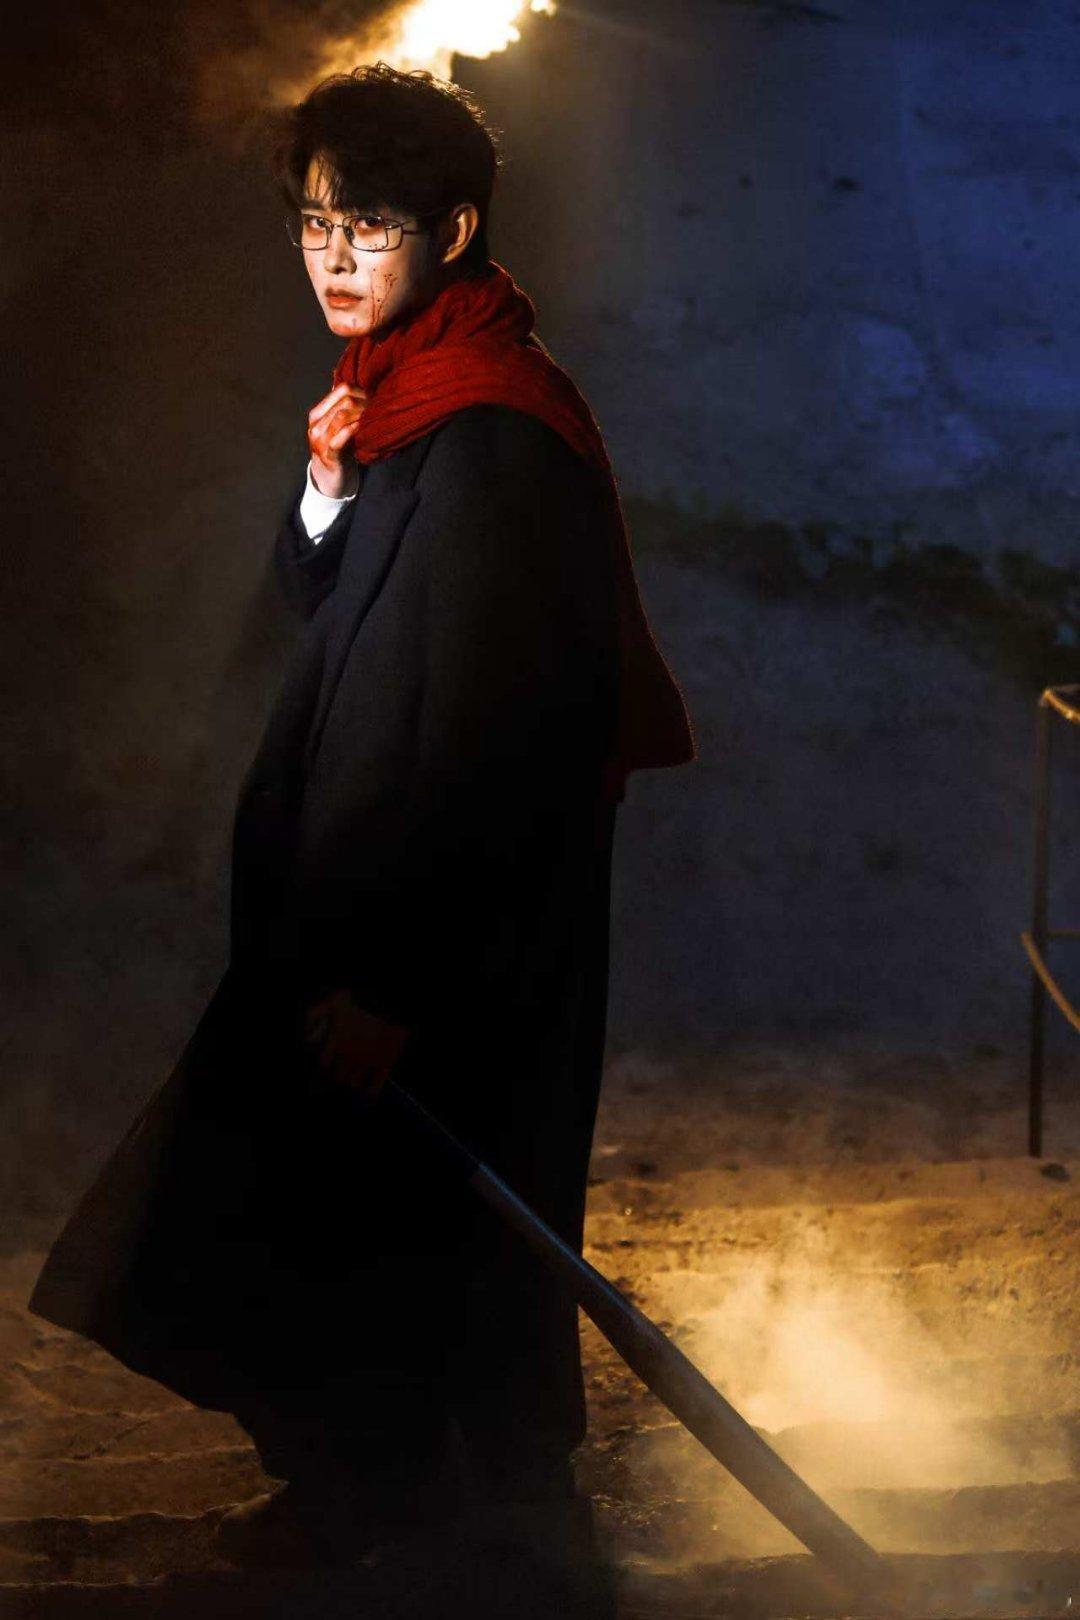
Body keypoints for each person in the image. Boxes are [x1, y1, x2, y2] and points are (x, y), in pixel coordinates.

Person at [27, 61, 694, 1602]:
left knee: (411, 1231)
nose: (332, 257)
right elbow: (344, 623)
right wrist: (327, 491)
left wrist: (393, 978)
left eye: (370, 225)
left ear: (452, 230)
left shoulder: (498, 430)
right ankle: (364, 1505)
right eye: (315, 224)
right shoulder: (407, 392)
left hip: (447, 935)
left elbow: (480, 733)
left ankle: (477, 1542)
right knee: (331, 1218)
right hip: (362, 911)